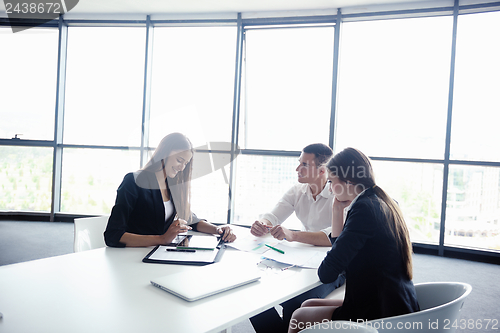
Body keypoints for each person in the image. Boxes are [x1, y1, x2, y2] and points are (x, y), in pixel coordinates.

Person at [288, 148, 419, 333]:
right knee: (308, 304)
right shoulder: (381, 200)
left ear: (347, 181)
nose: (331, 189)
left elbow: (328, 272)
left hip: (380, 311)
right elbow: (341, 255)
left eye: (332, 182)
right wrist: (336, 212)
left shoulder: (364, 210)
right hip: (391, 297)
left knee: (298, 318)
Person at [249, 143, 345, 333]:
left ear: (322, 170)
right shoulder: (297, 191)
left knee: (296, 302)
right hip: (302, 259)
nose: (297, 169)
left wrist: (292, 235)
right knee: (254, 299)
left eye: (304, 165)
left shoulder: (339, 193)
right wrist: (262, 223)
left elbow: (332, 237)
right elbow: (273, 215)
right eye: (298, 163)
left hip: (333, 265)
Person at [104, 132, 236, 247]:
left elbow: (191, 219)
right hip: (132, 257)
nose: (182, 168)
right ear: (164, 152)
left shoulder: (172, 186)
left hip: (159, 253)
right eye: (179, 160)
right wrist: (161, 239)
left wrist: (218, 229)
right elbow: (113, 235)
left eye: (185, 163)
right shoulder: (133, 181)